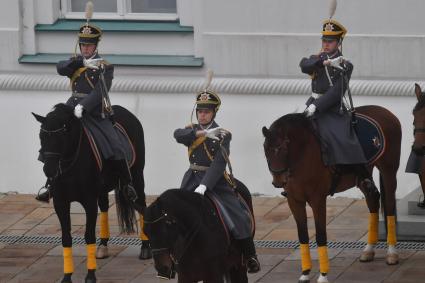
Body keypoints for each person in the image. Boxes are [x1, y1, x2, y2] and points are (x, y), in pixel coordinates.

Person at [36, 16, 135, 203]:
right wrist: (80, 63)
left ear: (96, 45)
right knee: (53, 137)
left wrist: (84, 106)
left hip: (95, 112)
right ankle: (49, 184)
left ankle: (127, 182)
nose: (85, 48)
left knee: (115, 144)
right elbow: (60, 68)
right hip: (71, 109)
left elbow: (100, 91)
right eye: (83, 45)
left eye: (89, 45)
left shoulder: (105, 67)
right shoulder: (76, 63)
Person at [173, 75, 260, 273]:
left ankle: (249, 255)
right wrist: (202, 133)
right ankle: (174, 254)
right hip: (191, 178)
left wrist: (205, 185)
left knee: (236, 215)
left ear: (214, 112)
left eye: (206, 112)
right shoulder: (191, 131)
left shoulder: (223, 134)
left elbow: (219, 164)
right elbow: (177, 135)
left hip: (215, 181)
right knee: (176, 213)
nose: (202, 115)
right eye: (200, 111)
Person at [298, 17, 377, 195]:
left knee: (344, 138)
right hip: (312, 105)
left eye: (330, 41)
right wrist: (320, 62)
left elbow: (336, 92)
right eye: (324, 40)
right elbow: (303, 65)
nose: (326, 44)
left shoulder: (345, 65)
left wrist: (317, 107)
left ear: (339, 42)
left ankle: (361, 174)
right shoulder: (315, 59)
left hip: (332, 109)